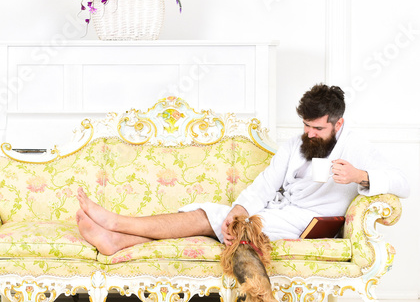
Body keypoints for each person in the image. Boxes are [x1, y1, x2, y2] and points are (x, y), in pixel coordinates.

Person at [76, 84, 410, 255]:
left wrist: (359, 176)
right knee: (212, 215)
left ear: (338, 124)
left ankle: (118, 224)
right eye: (306, 125)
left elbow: (403, 183)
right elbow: (265, 184)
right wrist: (239, 208)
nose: (309, 134)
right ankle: (117, 239)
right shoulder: (296, 144)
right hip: (281, 214)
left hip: (310, 225)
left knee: (207, 218)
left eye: (318, 129)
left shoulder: (358, 148)